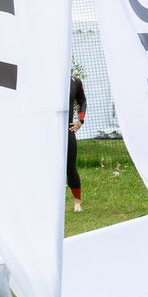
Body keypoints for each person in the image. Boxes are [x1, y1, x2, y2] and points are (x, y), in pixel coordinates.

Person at [67, 73, 87, 212]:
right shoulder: (42, 76)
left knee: (70, 167)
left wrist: (80, 121)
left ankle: (77, 203)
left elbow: (82, 101)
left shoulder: (75, 81)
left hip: (67, 130)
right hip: (45, 130)